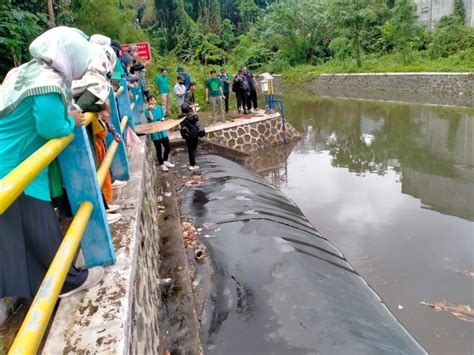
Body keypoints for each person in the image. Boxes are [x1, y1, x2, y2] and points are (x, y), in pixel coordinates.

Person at [0, 26, 104, 300]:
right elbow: (51, 126)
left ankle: (34, 290)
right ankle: (66, 282)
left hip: (10, 160)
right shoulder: (47, 82)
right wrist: (74, 121)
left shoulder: (26, 71)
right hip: (15, 165)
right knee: (40, 228)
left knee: (18, 232)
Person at [72, 43, 122, 224]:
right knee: (91, 170)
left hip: (86, 133)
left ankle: (103, 208)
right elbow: (80, 106)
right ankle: (100, 214)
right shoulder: (93, 78)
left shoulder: (79, 76)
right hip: (80, 136)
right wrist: (101, 105)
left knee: (95, 169)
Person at [145, 96, 175, 172]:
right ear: (149, 102)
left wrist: (162, 119)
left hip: (162, 131)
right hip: (155, 133)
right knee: (158, 150)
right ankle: (161, 165)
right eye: (151, 100)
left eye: (154, 100)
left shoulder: (159, 107)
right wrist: (149, 109)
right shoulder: (147, 111)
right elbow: (151, 119)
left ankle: (165, 161)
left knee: (167, 147)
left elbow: (163, 116)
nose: (153, 101)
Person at [180, 103, 204, 171]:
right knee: (193, 149)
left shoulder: (180, 116)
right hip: (193, 134)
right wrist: (194, 111)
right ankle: (192, 165)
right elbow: (196, 118)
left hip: (186, 134)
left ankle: (191, 163)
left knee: (189, 149)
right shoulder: (192, 116)